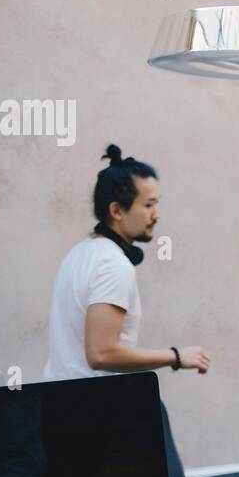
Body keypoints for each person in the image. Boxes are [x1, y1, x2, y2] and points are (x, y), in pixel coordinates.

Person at [43, 144, 210, 380]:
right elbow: (101, 354)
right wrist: (176, 356)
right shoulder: (113, 265)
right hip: (88, 410)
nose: (156, 215)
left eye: (157, 204)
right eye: (148, 205)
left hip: (61, 406)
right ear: (117, 211)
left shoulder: (79, 253)